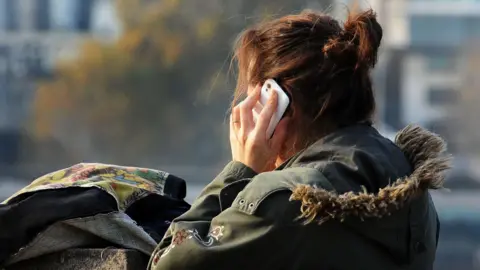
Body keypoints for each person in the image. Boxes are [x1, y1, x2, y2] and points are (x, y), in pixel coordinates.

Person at [149, 8, 449, 270]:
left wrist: (241, 171)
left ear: (274, 105)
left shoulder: (287, 200)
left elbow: (167, 263)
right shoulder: (407, 182)